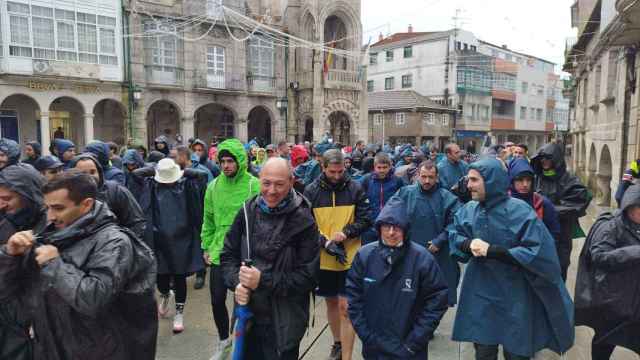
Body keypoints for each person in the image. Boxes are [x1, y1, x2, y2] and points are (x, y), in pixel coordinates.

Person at [0, 170, 157, 359]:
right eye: (47, 208)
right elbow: (11, 292)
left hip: (100, 350)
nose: (50, 216)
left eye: (58, 208)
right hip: (54, 345)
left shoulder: (114, 242)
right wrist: (10, 255)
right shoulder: (50, 232)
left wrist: (54, 263)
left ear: (86, 205)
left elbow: (92, 299)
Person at [450, 157, 574, 360]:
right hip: (480, 293)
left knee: (517, 351)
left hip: (516, 295)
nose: (468, 185)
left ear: (490, 181)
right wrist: (466, 244)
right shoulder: (469, 210)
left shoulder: (520, 211)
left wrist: (494, 251)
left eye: (474, 180)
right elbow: (455, 233)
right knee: (483, 351)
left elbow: (540, 251)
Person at [220, 158, 320, 359]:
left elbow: (308, 277)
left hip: (284, 323)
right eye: (266, 183)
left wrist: (262, 281)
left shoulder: (304, 219)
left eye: (279, 184)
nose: (271, 191)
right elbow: (228, 256)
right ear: (259, 180)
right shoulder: (247, 211)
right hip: (248, 317)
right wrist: (236, 283)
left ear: (291, 181)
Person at [346, 196, 448, 359]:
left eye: (397, 227)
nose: (391, 232)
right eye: (386, 227)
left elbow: (437, 300)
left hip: (410, 349)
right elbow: (353, 298)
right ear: (379, 228)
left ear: (406, 229)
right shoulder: (364, 256)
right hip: (374, 348)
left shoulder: (422, 259)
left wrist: (414, 342)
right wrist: (366, 336)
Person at [304, 149, 371, 360]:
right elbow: (306, 224)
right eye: (332, 171)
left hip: (350, 257)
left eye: (340, 171)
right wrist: (324, 242)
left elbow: (366, 218)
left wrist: (345, 234)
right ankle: (337, 342)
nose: (336, 176)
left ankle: (347, 356)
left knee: (346, 307)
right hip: (324, 258)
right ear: (323, 168)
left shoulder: (355, 188)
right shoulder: (311, 191)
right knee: (331, 302)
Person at [201, 138, 260, 359]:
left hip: (244, 253)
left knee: (240, 303)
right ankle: (223, 341)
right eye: (222, 161)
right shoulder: (213, 186)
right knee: (217, 300)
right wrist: (206, 246)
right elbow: (208, 220)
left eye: (230, 161)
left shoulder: (254, 184)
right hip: (218, 252)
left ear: (240, 161)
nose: (226, 165)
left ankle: (238, 345)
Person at [134, 158, 207, 334]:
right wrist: (154, 169)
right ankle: (165, 294)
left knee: (180, 277)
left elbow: (203, 176)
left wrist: (186, 171)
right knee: (161, 279)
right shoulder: (152, 185)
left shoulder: (185, 185)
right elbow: (135, 175)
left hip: (182, 238)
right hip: (157, 238)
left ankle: (179, 313)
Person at [575, 184, 640, 359]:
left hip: (636, 299)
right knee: (605, 340)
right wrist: (635, 251)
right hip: (612, 299)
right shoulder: (610, 226)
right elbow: (599, 256)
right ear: (629, 206)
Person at [393, 160, 462, 307]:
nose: (427, 181)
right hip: (409, 252)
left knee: (435, 297)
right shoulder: (405, 193)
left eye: (431, 177)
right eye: (424, 176)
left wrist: (440, 240)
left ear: (437, 177)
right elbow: (391, 216)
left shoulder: (447, 198)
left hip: (438, 254)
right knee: (408, 294)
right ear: (418, 175)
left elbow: (456, 222)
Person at [0, 165, 47, 359]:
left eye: (7, 199)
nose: (1, 204)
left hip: (35, 322)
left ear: (28, 196)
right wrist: (8, 252)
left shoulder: (52, 225)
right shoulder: (6, 221)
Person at [531, 142, 591, 281]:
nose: (544, 161)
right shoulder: (536, 178)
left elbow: (577, 203)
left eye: (548, 158)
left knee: (559, 269)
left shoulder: (568, 180)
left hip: (561, 235)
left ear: (556, 159)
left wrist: (548, 210)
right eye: (542, 158)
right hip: (538, 233)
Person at [70, 154, 146, 239]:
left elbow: (136, 222)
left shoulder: (116, 191)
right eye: (83, 174)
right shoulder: (67, 196)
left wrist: (124, 246)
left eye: (92, 172)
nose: (89, 177)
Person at [508, 158, 561, 242]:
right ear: (512, 181)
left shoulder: (542, 203)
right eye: (520, 180)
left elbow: (554, 233)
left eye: (528, 180)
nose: (525, 184)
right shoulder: (504, 203)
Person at [359, 153, 404, 244]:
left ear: (390, 167)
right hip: (369, 226)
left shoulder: (397, 181)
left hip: (389, 225)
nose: (382, 170)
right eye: (379, 167)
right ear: (374, 167)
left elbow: (401, 201)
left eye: (385, 167)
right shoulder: (367, 180)